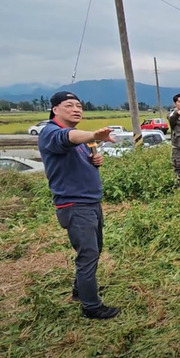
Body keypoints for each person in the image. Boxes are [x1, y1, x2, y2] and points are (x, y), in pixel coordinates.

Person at [38, 91, 120, 319]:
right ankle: (91, 307)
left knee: (94, 249)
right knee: (88, 253)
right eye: (69, 105)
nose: (76, 109)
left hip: (90, 202)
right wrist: (92, 134)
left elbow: (81, 151)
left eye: (79, 106)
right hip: (75, 205)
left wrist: (95, 159)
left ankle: (81, 291)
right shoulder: (51, 133)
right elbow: (69, 137)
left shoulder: (83, 139)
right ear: (55, 109)